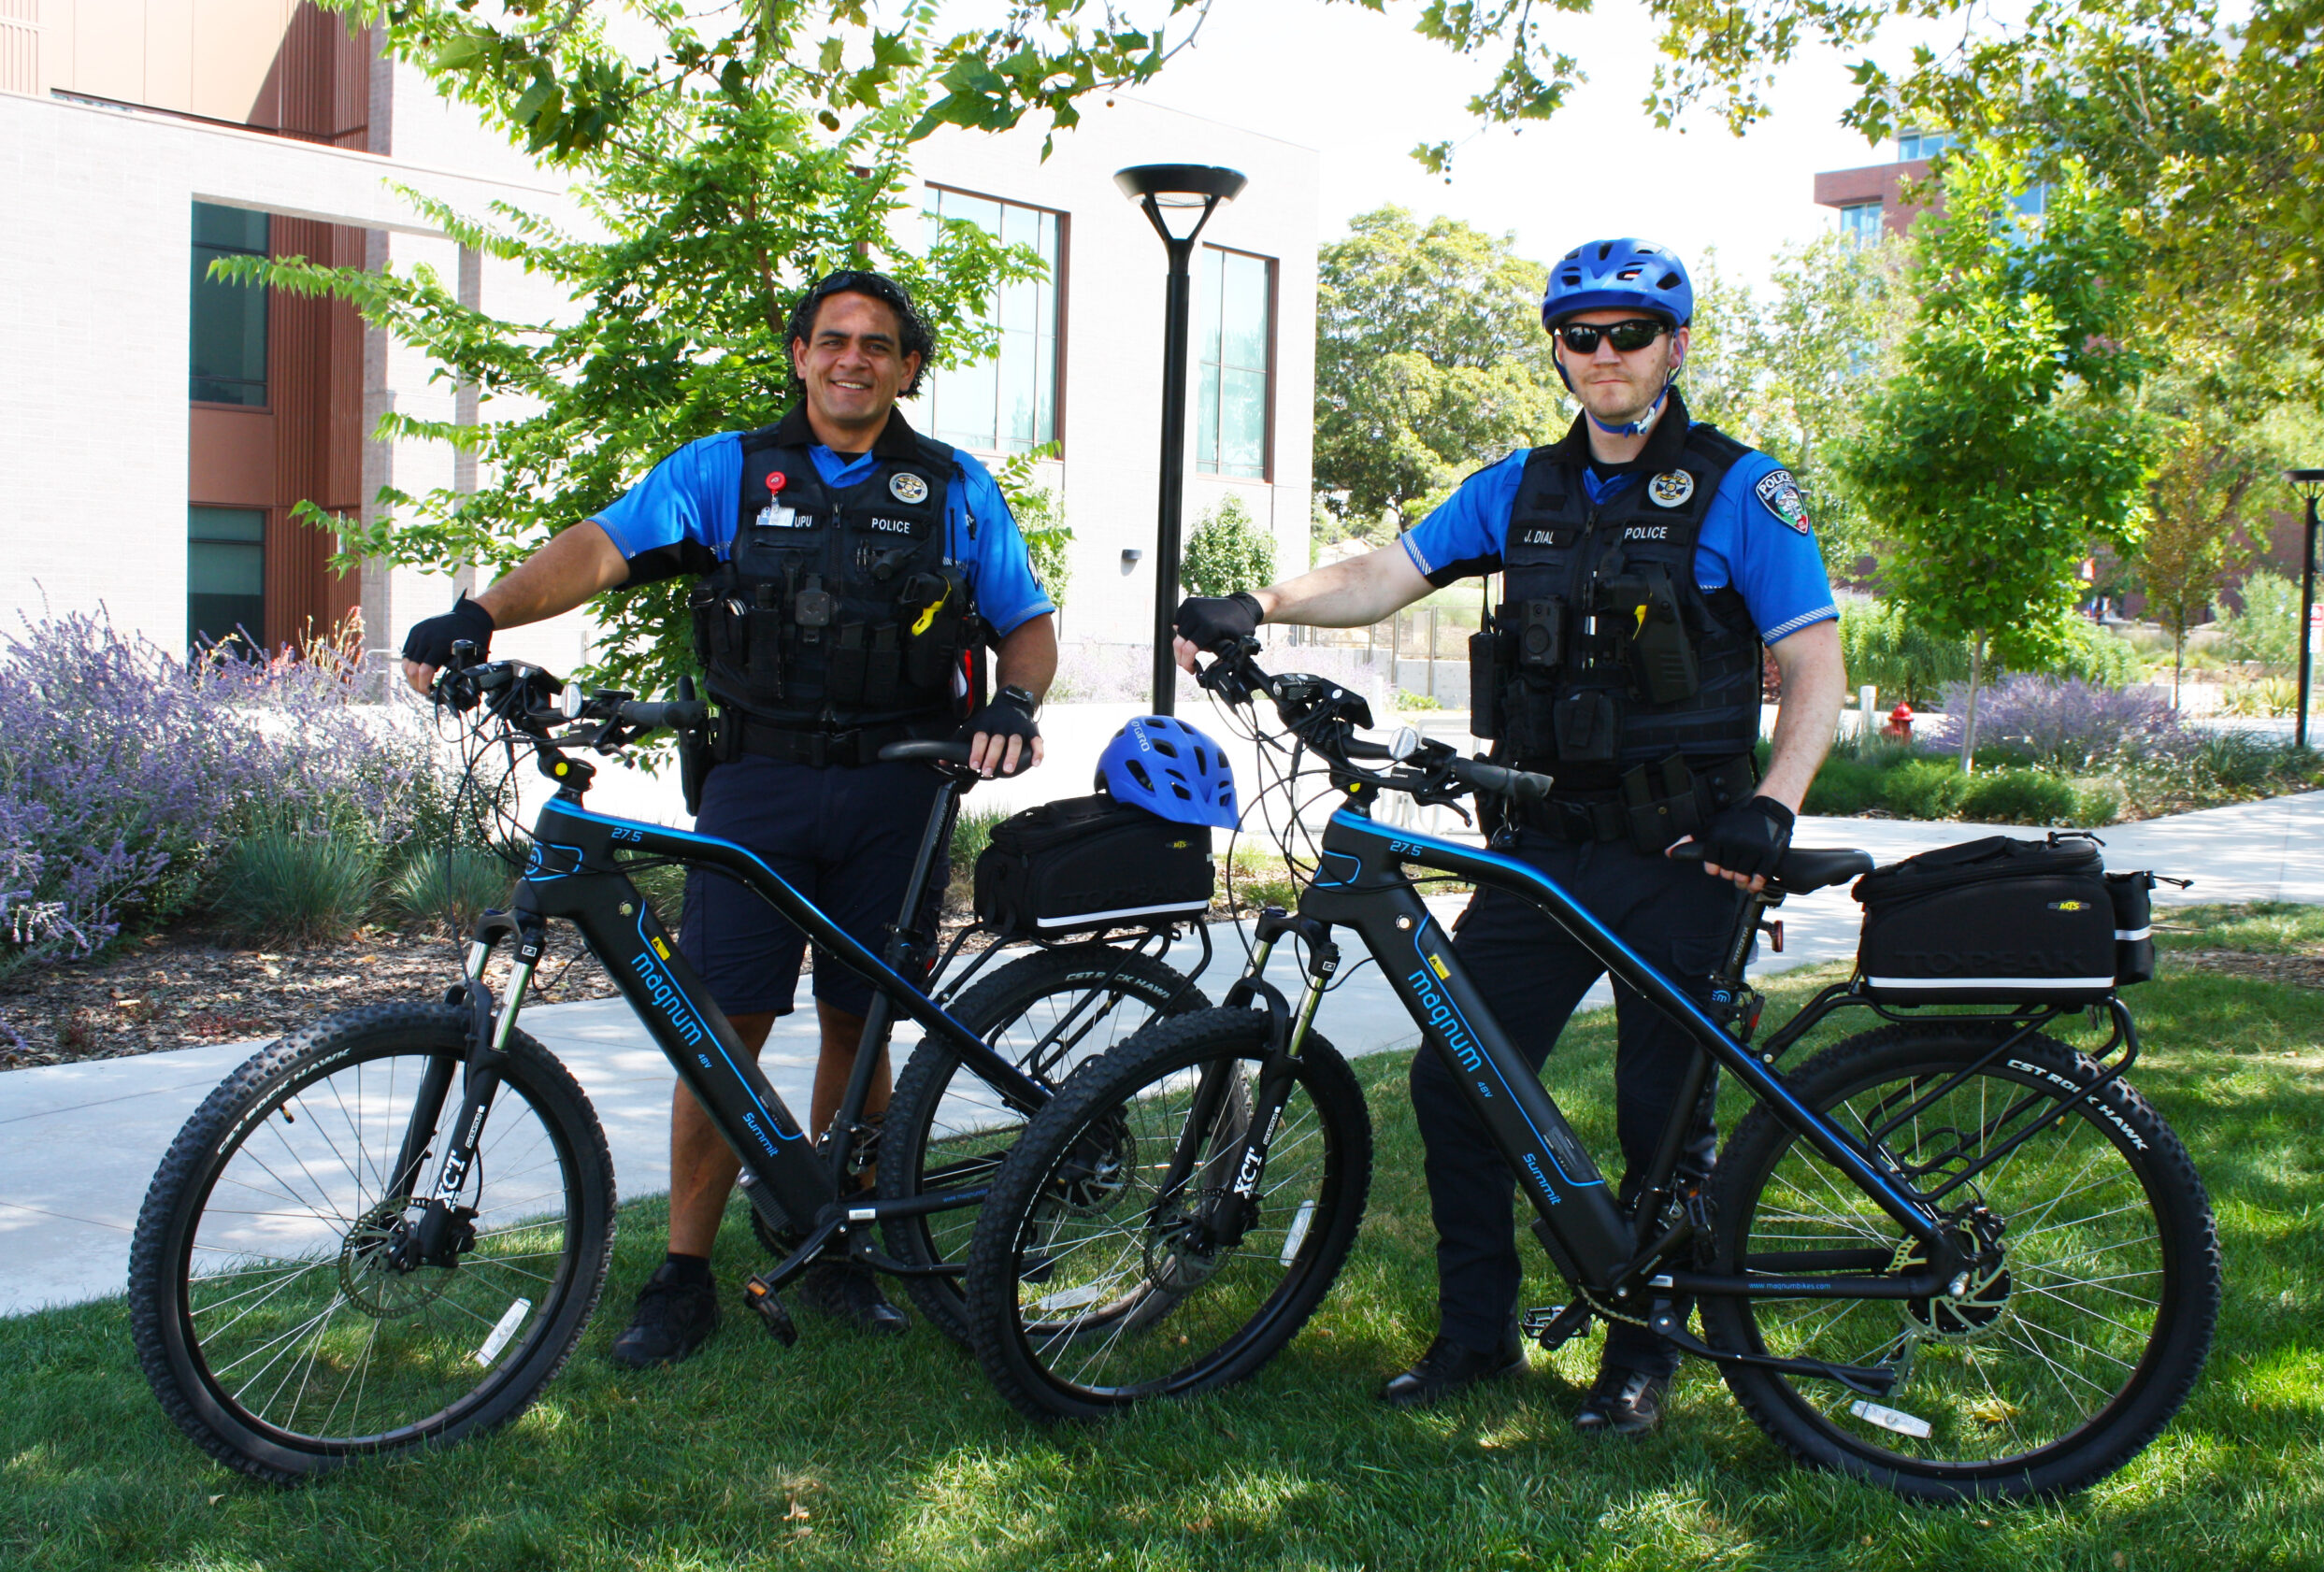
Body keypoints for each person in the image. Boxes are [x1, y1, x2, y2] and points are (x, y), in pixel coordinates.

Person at [1175, 237, 1843, 1439]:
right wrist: (1262, 603)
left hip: (1689, 855)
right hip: (1539, 849)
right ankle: (1474, 1338)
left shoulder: (1743, 490)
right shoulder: (1518, 490)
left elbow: (1814, 665)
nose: (1604, 355)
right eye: (1580, 335)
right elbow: (1386, 572)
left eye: (1629, 334)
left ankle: (1641, 1356)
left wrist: (1774, 806)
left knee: (1660, 1111)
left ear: (1673, 347)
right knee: (1458, 1080)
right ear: (1558, 349)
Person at [400, 269, 1058, 1367]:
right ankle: (684, 1272)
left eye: (879, 345)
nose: (854, 358)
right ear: (799, 353)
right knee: (721, 1027)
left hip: (903, 787)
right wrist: (479, 613)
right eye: (833, 339)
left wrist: (1014, 697)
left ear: (907, 368)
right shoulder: (725, 474)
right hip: (757, 787)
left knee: (860, 1022)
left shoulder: (953, 487)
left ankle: (838, 1237)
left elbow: (1024, 621)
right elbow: (600, 548)